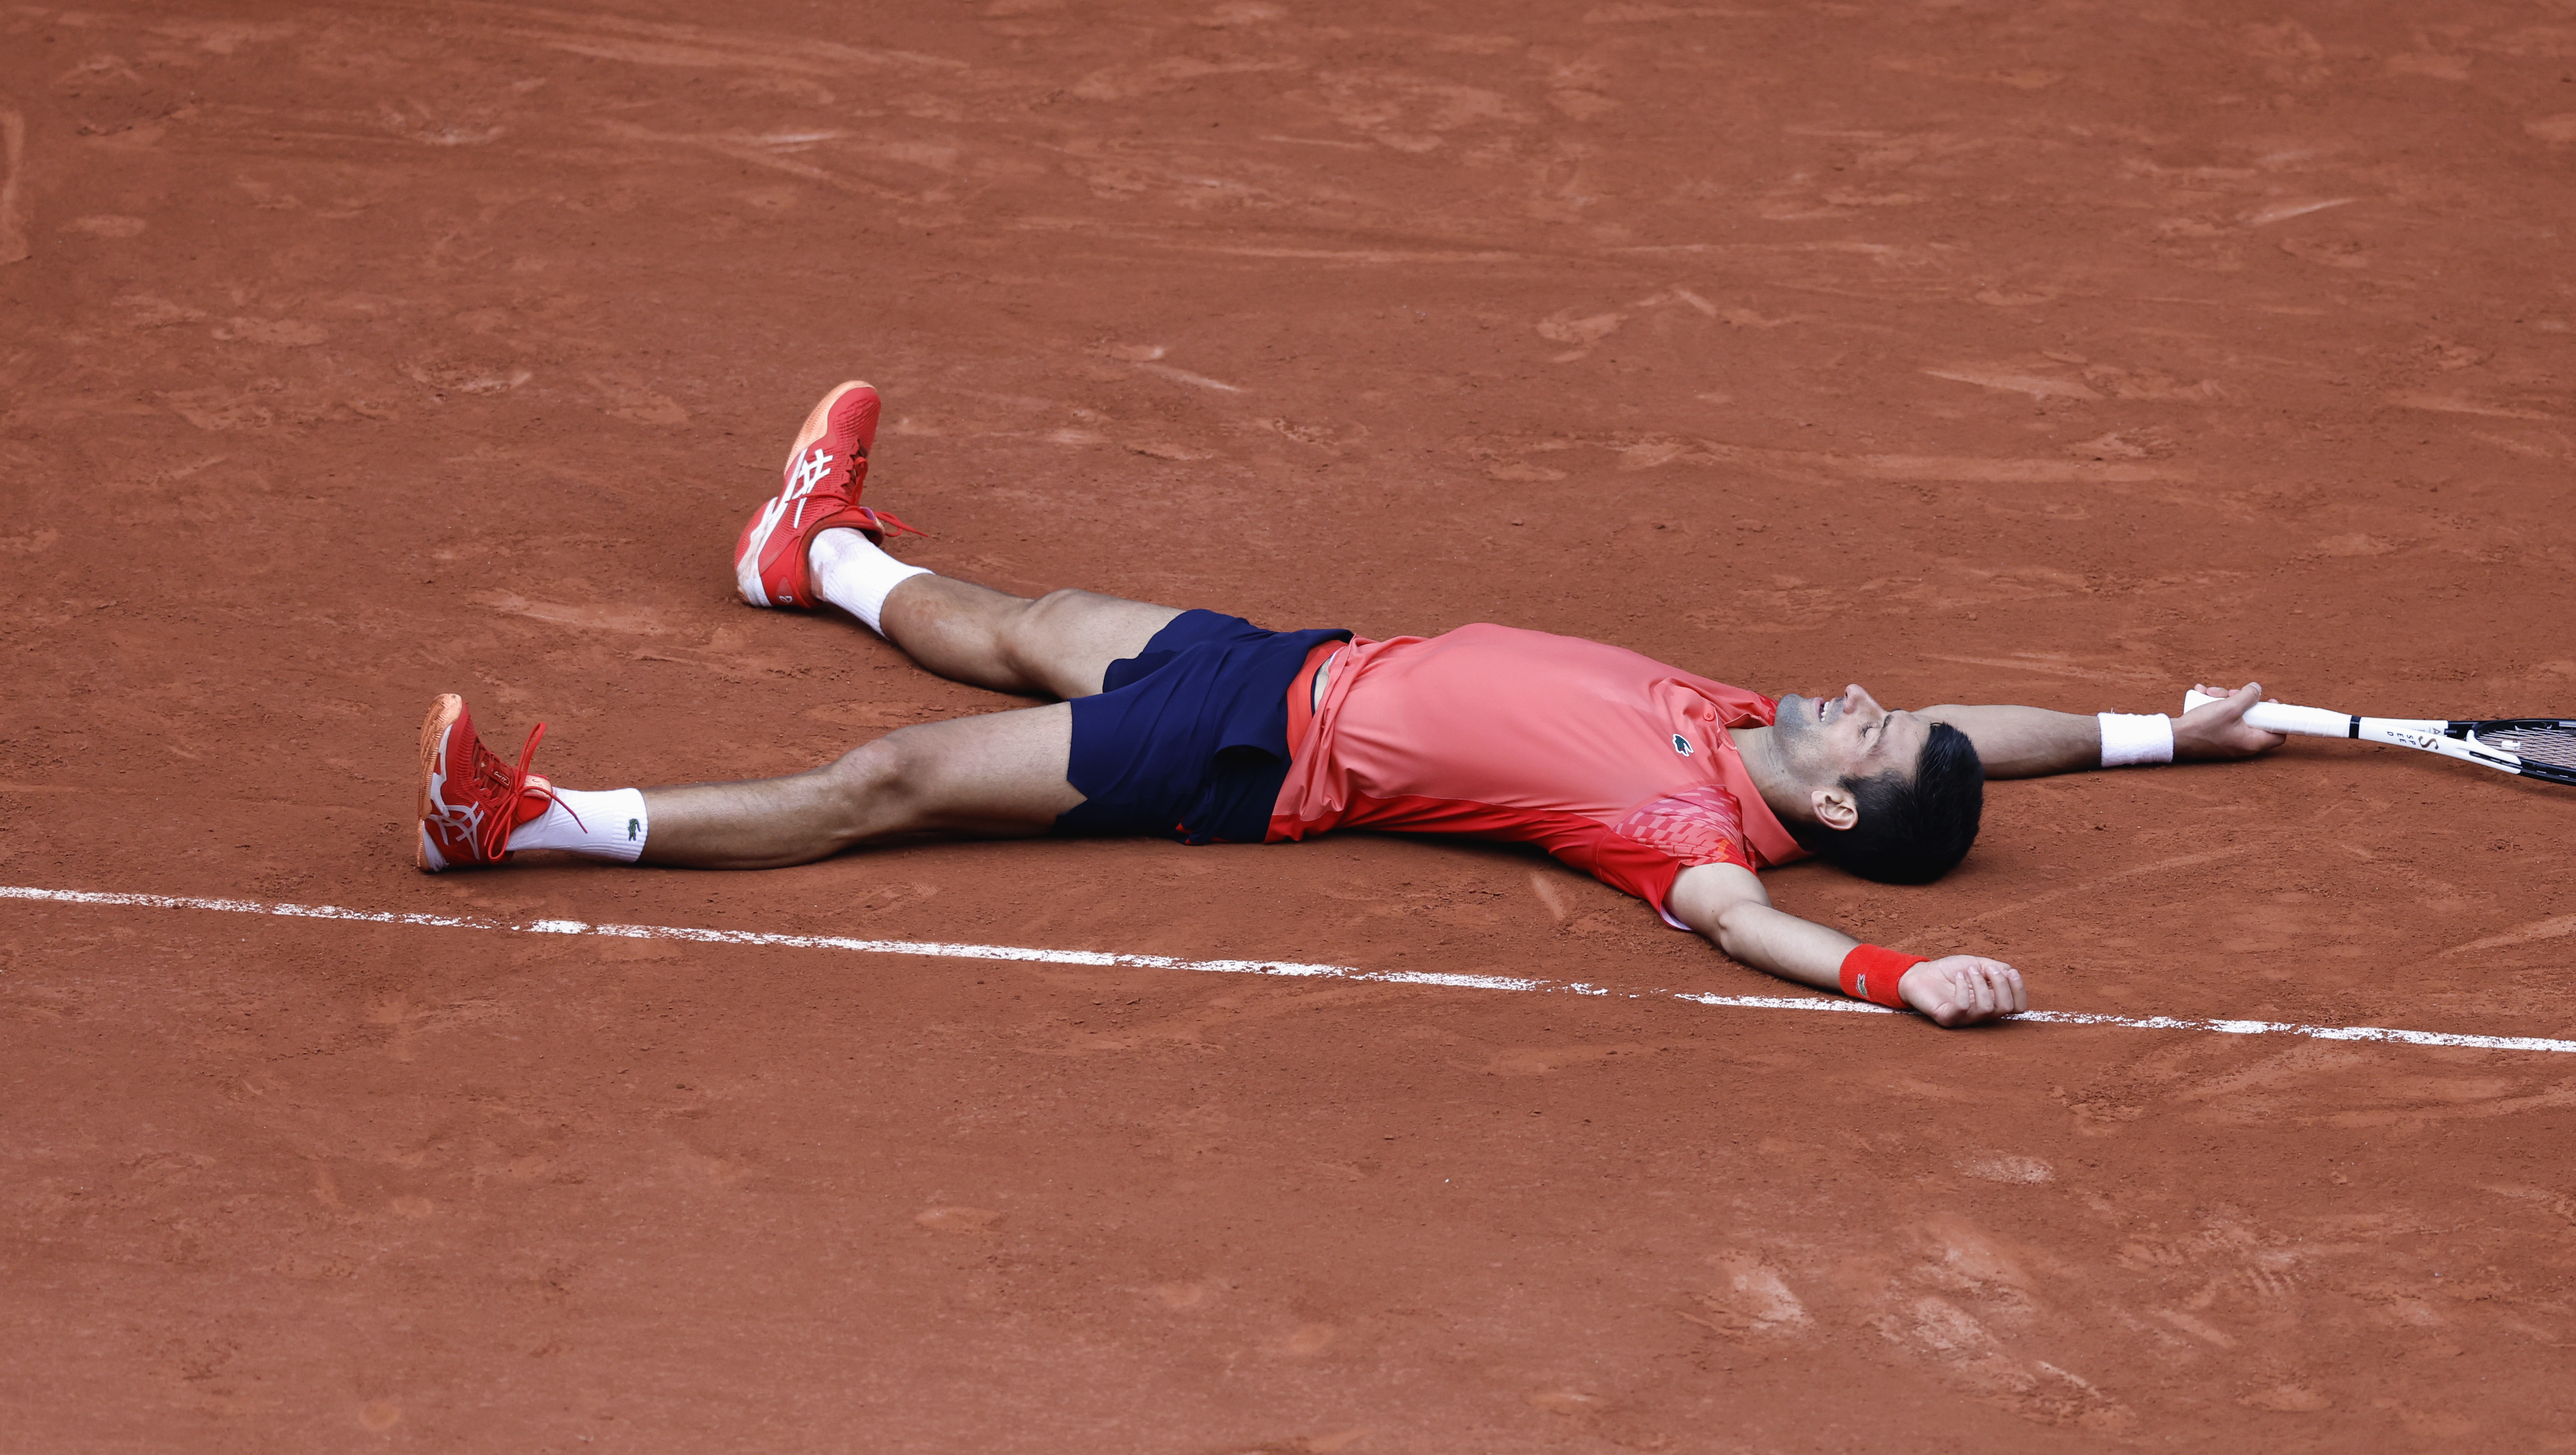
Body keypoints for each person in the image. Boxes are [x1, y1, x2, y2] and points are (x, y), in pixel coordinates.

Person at [416, 383, 2282, 1027]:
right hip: (1292, 658)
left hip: (1241, 756)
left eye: (1871, 736)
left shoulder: (1690, 829)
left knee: (893, 780)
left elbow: (1755, 933)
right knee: (1027, 614)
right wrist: (2163, 735)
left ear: (1846, 810)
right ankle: (806, 554)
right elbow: (1986, 727)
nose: (1868, 698)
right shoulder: (1753, 715)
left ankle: (529, 826)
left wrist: (1901, 979)